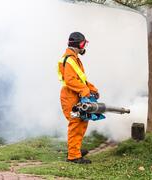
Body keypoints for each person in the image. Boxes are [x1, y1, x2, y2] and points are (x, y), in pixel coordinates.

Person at [57, 32, 99, 164]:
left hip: (76, 94)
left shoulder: (74, 58)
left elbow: (81, 79)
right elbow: (70, 80)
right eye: (83, 44)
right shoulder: (69, 59)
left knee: (82, 121)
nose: (84, 47)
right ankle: (74, 156)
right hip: (70, 95)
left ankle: (76, 149)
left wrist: (92, 88)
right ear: (79, 44)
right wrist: (84, 90)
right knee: (76, 123)